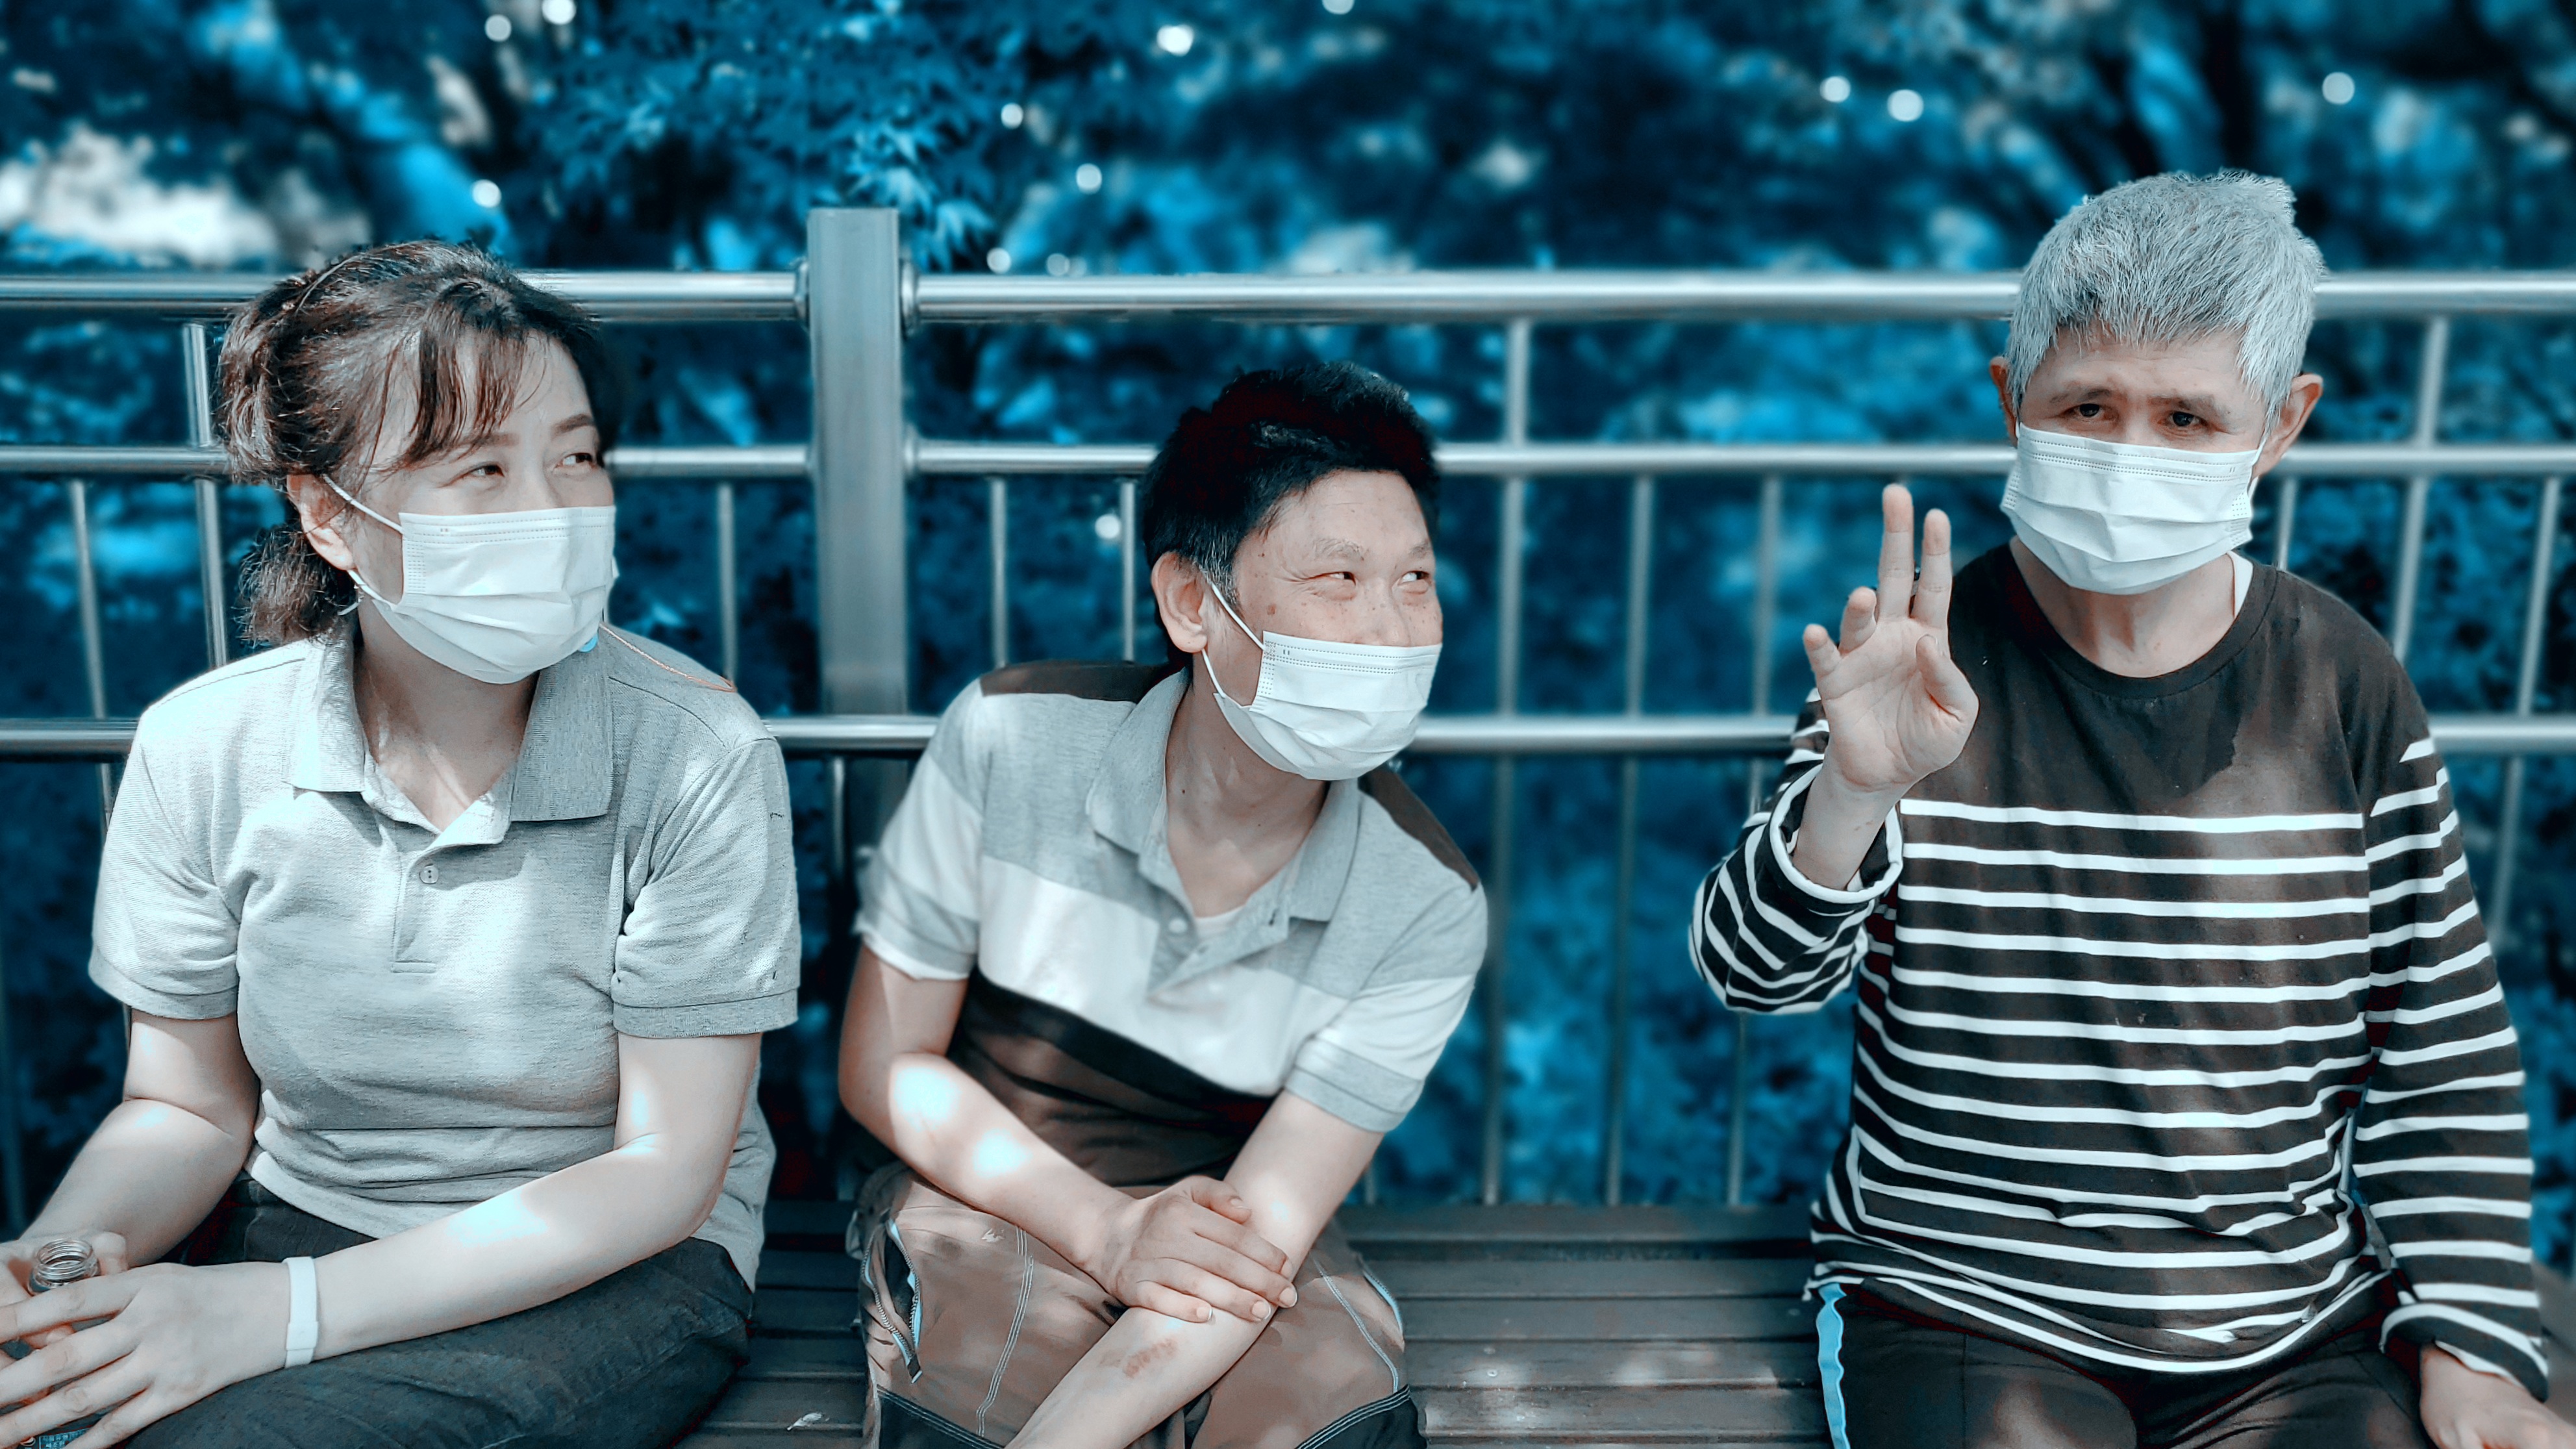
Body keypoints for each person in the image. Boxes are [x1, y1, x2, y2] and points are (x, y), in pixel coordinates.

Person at [1691, 171, 2563, 1449]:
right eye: (2088, 406)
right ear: (2013, 401)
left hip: (2289, 1329)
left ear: (2279, 425)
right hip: (1957, 1304)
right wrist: (1852, 794)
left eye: (2187, 418)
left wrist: (2470, 1347)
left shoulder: (2344, 682)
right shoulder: (1916, 662)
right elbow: (1752, 975)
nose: (2128, 453)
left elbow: (2440, 1048)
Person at [0, 243, 799, 1447]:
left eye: (576, 457)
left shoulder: (696, 751)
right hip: (303, 1231)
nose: (551, 508)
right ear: (329, 514)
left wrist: (279, 1314)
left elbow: (664, 1170)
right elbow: (186, 1108)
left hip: (620, 1269)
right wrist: (54, 1274)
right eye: (481, 468)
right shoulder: (204, 748)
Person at [839, 360, 1484, 1448]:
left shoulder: (1426, 899)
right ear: (1193, 602)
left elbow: (1266, 1224)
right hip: (991, 1184)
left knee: (1334, 1418)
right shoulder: (1010, 740)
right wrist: (1107, 1230)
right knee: (974, 1397)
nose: (1391, 629)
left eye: (1414, 580)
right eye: (1339, 577)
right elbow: (885, 1063)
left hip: (1239, 1219)